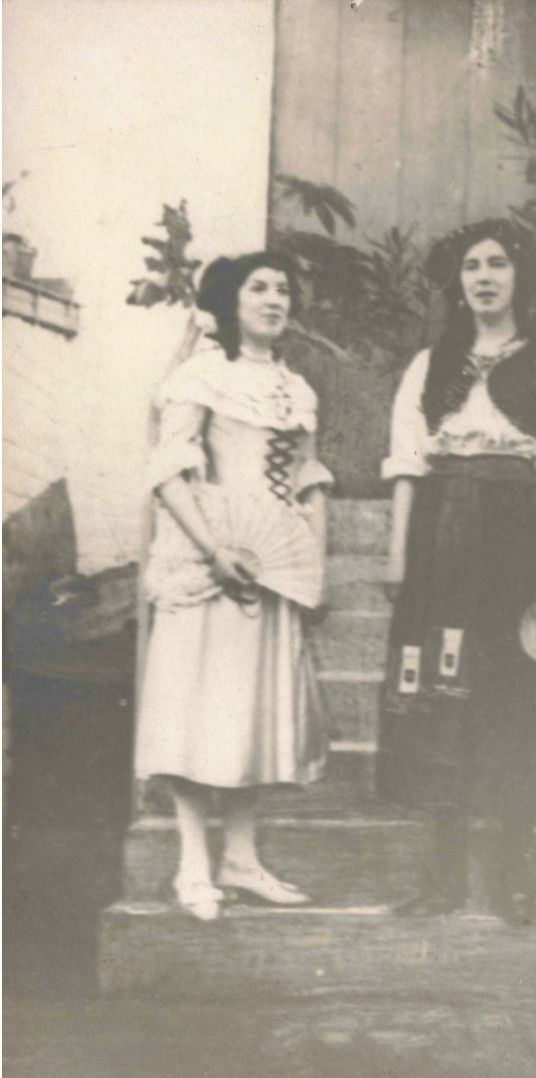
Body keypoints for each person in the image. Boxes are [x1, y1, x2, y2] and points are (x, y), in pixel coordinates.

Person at [377, 219, 536, 922]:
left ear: (519, 278)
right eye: (471, 266)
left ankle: (515, 876)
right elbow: (408, 461)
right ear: (459, 283)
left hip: (520, 540)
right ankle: (443, 876)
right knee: (441, 685)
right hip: (442, 529)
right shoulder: (430, 364)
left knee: (519, 685)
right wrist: (399, 552)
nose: (484, 276)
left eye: (498, 264)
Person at [135, 251, 332, 921]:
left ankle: (242, 859)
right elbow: (169, 471)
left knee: (251, 716)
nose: (274, 299)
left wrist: (313, 564)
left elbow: (306, 479)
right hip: (211, 561)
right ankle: (194, 864)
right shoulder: (201, 376)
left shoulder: (297, 389)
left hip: (272, 571)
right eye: (259, 287)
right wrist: (213, 548)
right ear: (231, 300)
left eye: (283, 289)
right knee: (198, 712)